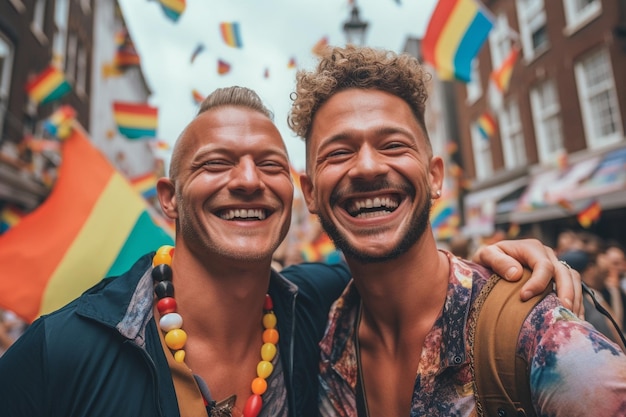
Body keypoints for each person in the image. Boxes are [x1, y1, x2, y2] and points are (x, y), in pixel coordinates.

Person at [0, 86, 581, 417]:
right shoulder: (65, 348)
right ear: (168, 200)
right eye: (217, 163)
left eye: (270, 164)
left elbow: (412, 276)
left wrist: (502, 265)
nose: (249, 180)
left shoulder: (317, 308)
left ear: (295, 194)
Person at [287, 45, 626, 416]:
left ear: (434, 177)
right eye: (338, 152)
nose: (367, 166)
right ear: (310, 193)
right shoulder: (323, 333)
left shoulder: (534, 332)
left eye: (393, 145)